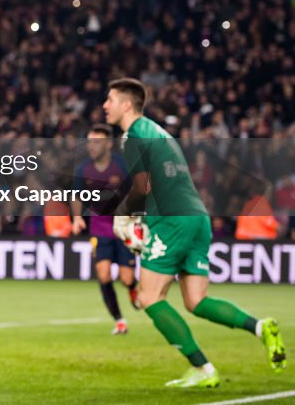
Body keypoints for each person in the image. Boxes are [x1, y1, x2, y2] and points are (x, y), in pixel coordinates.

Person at [103, 78, 286, 388]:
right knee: (196, 300)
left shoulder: (133, 135)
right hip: (197, 216)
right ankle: (260, 327)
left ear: (127, 104)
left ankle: (203, 369)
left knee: (148, 296)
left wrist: (124, 215)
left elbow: (142, 185)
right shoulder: (159, 132)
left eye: (110, 99)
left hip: (172, 219)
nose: (105, 105)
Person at [70, 124, 137, 336]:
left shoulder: (121, 165)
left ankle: (133, 288)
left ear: (108, 144)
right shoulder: (83, 169)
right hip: (99, 227)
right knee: (104, 273)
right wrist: (77, 218)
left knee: (126, 278)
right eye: (89, 141)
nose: (92, 146)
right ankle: (119, 321)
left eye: (97, 141)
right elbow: (76, 195)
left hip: (123, 225)